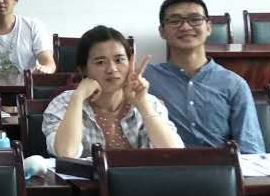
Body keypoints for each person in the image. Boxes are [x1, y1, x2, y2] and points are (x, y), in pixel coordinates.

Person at [145, 0, 265, 153]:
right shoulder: (145, 80)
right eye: (175, 21)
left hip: (220, 167)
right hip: (163, 166)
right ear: (162, 31)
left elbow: (250, 150)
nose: (185, 27)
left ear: (208, 27)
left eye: (195, 19)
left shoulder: (234, 84)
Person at [43, 26, 183, 158]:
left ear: (130, 63)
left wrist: (142, 104)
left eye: (119, 60)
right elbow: (66, 153)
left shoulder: (150, 102)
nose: (112, 69)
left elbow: (175, 154)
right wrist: (78, 98)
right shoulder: (64, 103)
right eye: (100, 62)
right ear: (83, 69)